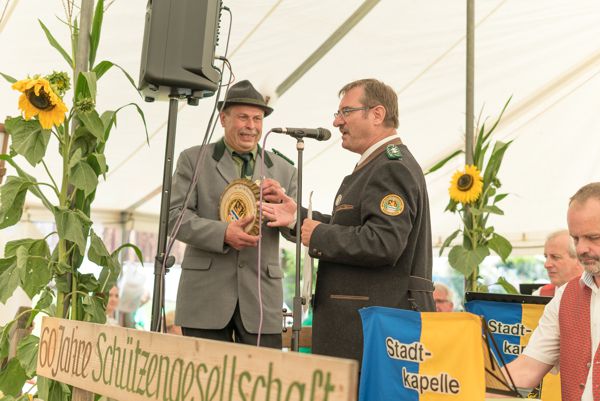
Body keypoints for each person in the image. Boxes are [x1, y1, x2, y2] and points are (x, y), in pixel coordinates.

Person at [263, 78, 435, 363]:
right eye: (338, 113)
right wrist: (296, 218)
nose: (336, 122)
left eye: (346, 112)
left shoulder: (391, 167)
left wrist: (318, 235)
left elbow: (383, 242)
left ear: (377, 114)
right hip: (363, 326)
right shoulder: (379, 164)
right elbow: (354, 227)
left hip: (372, 329)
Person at [168, 80, 297, 349]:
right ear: (223, 119)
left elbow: (295, 230)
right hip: (204, 297)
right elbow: (173, 216)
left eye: (257, 119)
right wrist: (223, 233)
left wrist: (283, 208)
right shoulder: (193, 159)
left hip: (262, 299)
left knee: (262, 376)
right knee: (205, 376)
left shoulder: (285, 170)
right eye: (243, 117)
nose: (251, 126)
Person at [505, 182, 600, 401]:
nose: (581, 248)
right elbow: (526, 370)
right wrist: (462, 390)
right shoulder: (565, 296)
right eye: (576, 238)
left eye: (593, 238)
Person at [534, 229, 583, 296]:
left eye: (555, 257)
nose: (546, 265)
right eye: (546, 257)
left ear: (579, 259)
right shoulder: (540, 294)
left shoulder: (594, 295)